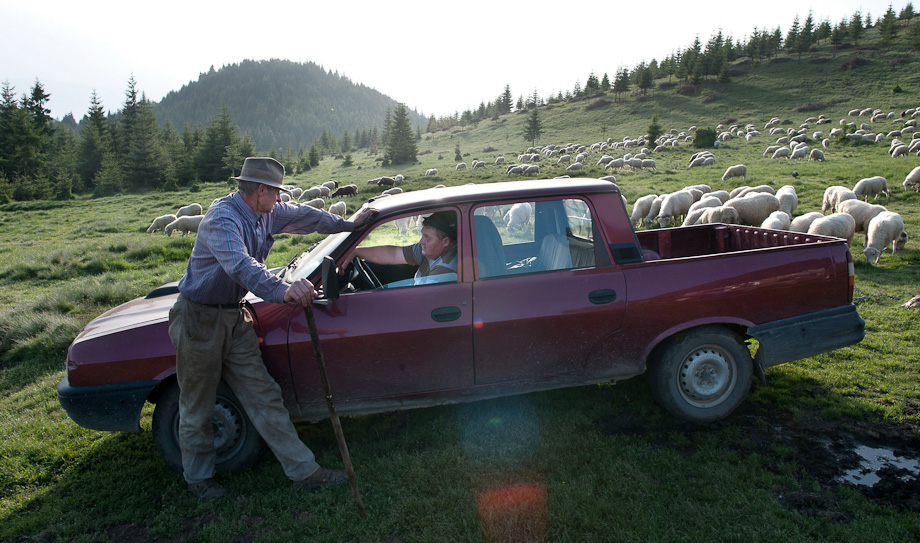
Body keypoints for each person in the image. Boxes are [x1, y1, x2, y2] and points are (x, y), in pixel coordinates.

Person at [168, 156, 376, 500]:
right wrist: (283, 289)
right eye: (277, 193)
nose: (281, 200)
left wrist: (347, 225)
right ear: (261, 190)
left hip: (235, 318)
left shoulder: (267, 212)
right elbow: (240, 265)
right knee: (197, 403)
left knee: (264, 394)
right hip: (199, 320)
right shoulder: (222, 219)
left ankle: (303, 471)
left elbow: (307, 215)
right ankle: (199, 478)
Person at [348, 210, 458, 286]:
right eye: (422, 235)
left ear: (446, 242)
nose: (421, 241)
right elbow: (394, 255)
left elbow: (421, 302)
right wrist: (356, 251)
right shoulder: (432, 250)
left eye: (427, 237)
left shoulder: (445, 272)